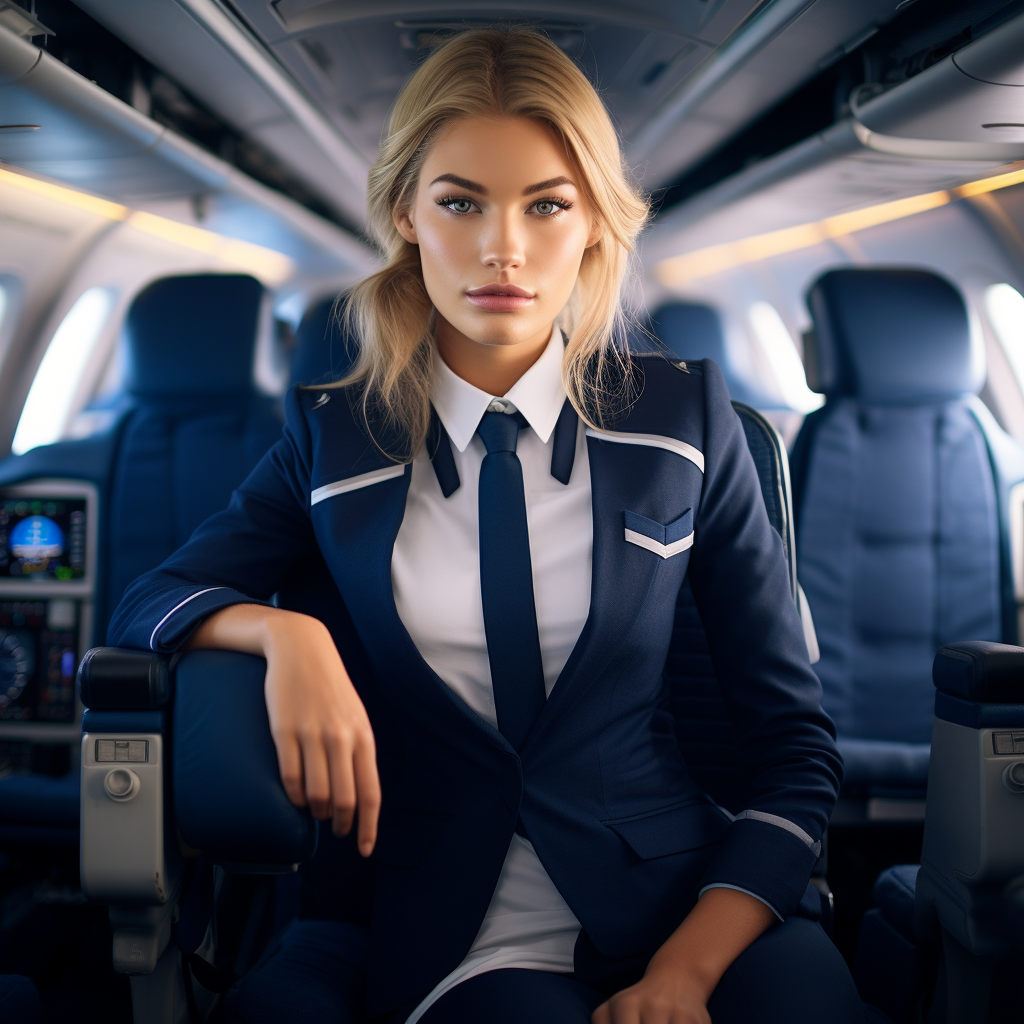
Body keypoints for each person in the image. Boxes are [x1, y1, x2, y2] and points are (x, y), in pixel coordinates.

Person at [108, 28, 864, 1024]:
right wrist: (280, 631)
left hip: (687, 898)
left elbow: (793, 749)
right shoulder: (338, 440)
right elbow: (146, 603)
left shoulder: (682, 421)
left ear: (593, 220)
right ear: (405, 217)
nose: (502, 247)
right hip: (458, 919)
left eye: (545, 205)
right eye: (460, 201)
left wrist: (683, 972)